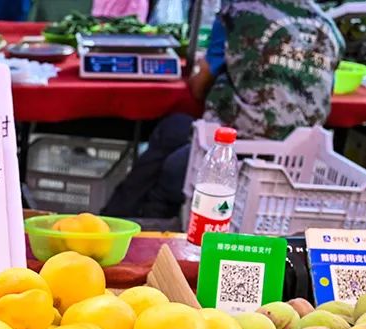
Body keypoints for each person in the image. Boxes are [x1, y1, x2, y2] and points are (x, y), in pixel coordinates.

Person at [103, 0, 344, 219]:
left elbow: (199, 87)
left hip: (232, 156)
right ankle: (116, 218)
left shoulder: (238, 12)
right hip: (295, 162)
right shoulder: (330, 29)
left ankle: (134, 226)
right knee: (173, 128)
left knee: (171, 172)